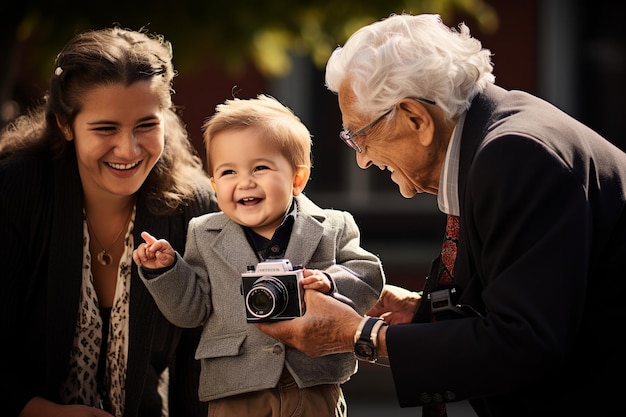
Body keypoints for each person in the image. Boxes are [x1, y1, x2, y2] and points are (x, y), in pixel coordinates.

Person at [256, 13, 626, 417]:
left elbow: (526, 340)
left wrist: (360, 335)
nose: (362, 160)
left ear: (416, 119)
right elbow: (529, 294)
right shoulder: (497, 136)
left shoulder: (515, 154)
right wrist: (421, 313)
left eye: (360, 135)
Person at [0, 27, 219, 417]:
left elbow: (198, 372)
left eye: (146, 126)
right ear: (66, 125)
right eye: (106, 129)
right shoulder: (16, 191)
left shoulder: (197, 209)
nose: (129, 149)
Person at [132, 94, 385, 417]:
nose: (244, 182)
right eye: (228, 173)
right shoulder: (203, 232)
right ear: (213, 185)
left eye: (260, 168)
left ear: (297, 179)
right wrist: (166, 270)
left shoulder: (332, 225)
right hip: (236, 385)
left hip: (312, 382)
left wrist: (331, 283)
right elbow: (190, 311)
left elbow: (367, 272)